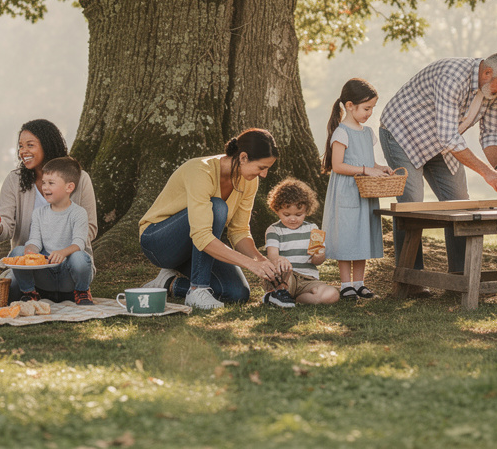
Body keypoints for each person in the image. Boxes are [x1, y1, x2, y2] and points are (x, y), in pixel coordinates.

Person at [378, 53, 497, 290]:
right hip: (403, 134)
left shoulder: (492, 92)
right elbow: (448, 137)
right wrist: (487, 173)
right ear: (487, 73)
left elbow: (490, 134)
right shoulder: (452, 75)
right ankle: (410, 281)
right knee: (411, 205)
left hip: (442, 143)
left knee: (460, 204)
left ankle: (461, 279)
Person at [137, 128, 288, 310]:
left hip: (194, 246)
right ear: (243, 157)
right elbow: (201, 235)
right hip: (158, 242)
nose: (264, 174)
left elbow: (239, 231)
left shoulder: (249, 180)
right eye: (262, 168)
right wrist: (249, 264)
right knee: (217, 207)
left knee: (237, 293)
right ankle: (197, 289)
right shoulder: (201, 170)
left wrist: (261, 262)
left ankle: (168, 283)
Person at [0, 119, 97, 278]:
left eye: (30, 145)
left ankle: (73, 287)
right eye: (20, 146)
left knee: (78, 262)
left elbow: (90, 227)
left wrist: (61, 250)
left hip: (68, 259)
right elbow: (6, 227)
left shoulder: (80, 179)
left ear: (47, 145)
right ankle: (30, 290)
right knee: (12, 281)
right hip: (31, 261)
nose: (23, 151)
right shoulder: (14, 180)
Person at [322, 78, 392, 299]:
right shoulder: (341, 132)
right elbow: (338, 165)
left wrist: (380, 169)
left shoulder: (367, 132)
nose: (370, 113)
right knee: (347, 235)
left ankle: (360, 283)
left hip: (365, 193)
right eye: (366, 108)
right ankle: (345, 285)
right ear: (349, 106)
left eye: (372, 108)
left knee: (362, 234)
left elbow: (369, 163)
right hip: (347, 192)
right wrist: (366, 170)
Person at [12, 156, 96, 306]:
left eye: (51, 183)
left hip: (67, 274)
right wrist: (30, 250)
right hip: (46, 273)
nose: (45, 187)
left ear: (69, 187)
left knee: (80, 257)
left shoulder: (79, 213)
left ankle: (82, 292)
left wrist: (62, 253)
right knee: (17, 252)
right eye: (44, 183)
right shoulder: (39, 213)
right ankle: (29, 293)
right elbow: (35, 241)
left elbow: (79, 243)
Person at [261, 178, 340, 307]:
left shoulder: (313, 229)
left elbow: (317, 261)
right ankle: (279, 293)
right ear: (277, 210)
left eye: (298, 215)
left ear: (306, 211)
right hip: (286, 277)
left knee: (332, 294)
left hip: (308, 280)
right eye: (286, 214)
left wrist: (319, 255)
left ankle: (296, 299)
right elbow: (272, 256)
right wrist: (279, 260)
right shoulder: (274, 230)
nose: (292, 219)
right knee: (278, 272)